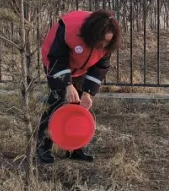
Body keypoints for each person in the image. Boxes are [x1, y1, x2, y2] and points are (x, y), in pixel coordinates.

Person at [36, 9, 121, 164]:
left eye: (107, 42)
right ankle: (43, 146)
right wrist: (67, 85)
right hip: (55, 62)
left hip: (82, 68)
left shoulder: (107, 43)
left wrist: (88, 93)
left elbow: (100, 67)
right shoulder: (69, 29)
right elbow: (57, 56)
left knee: (80, 106)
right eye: (101, 41)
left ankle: (74, 147)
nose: (103, 45)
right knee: (57, 103)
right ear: (92, 35)